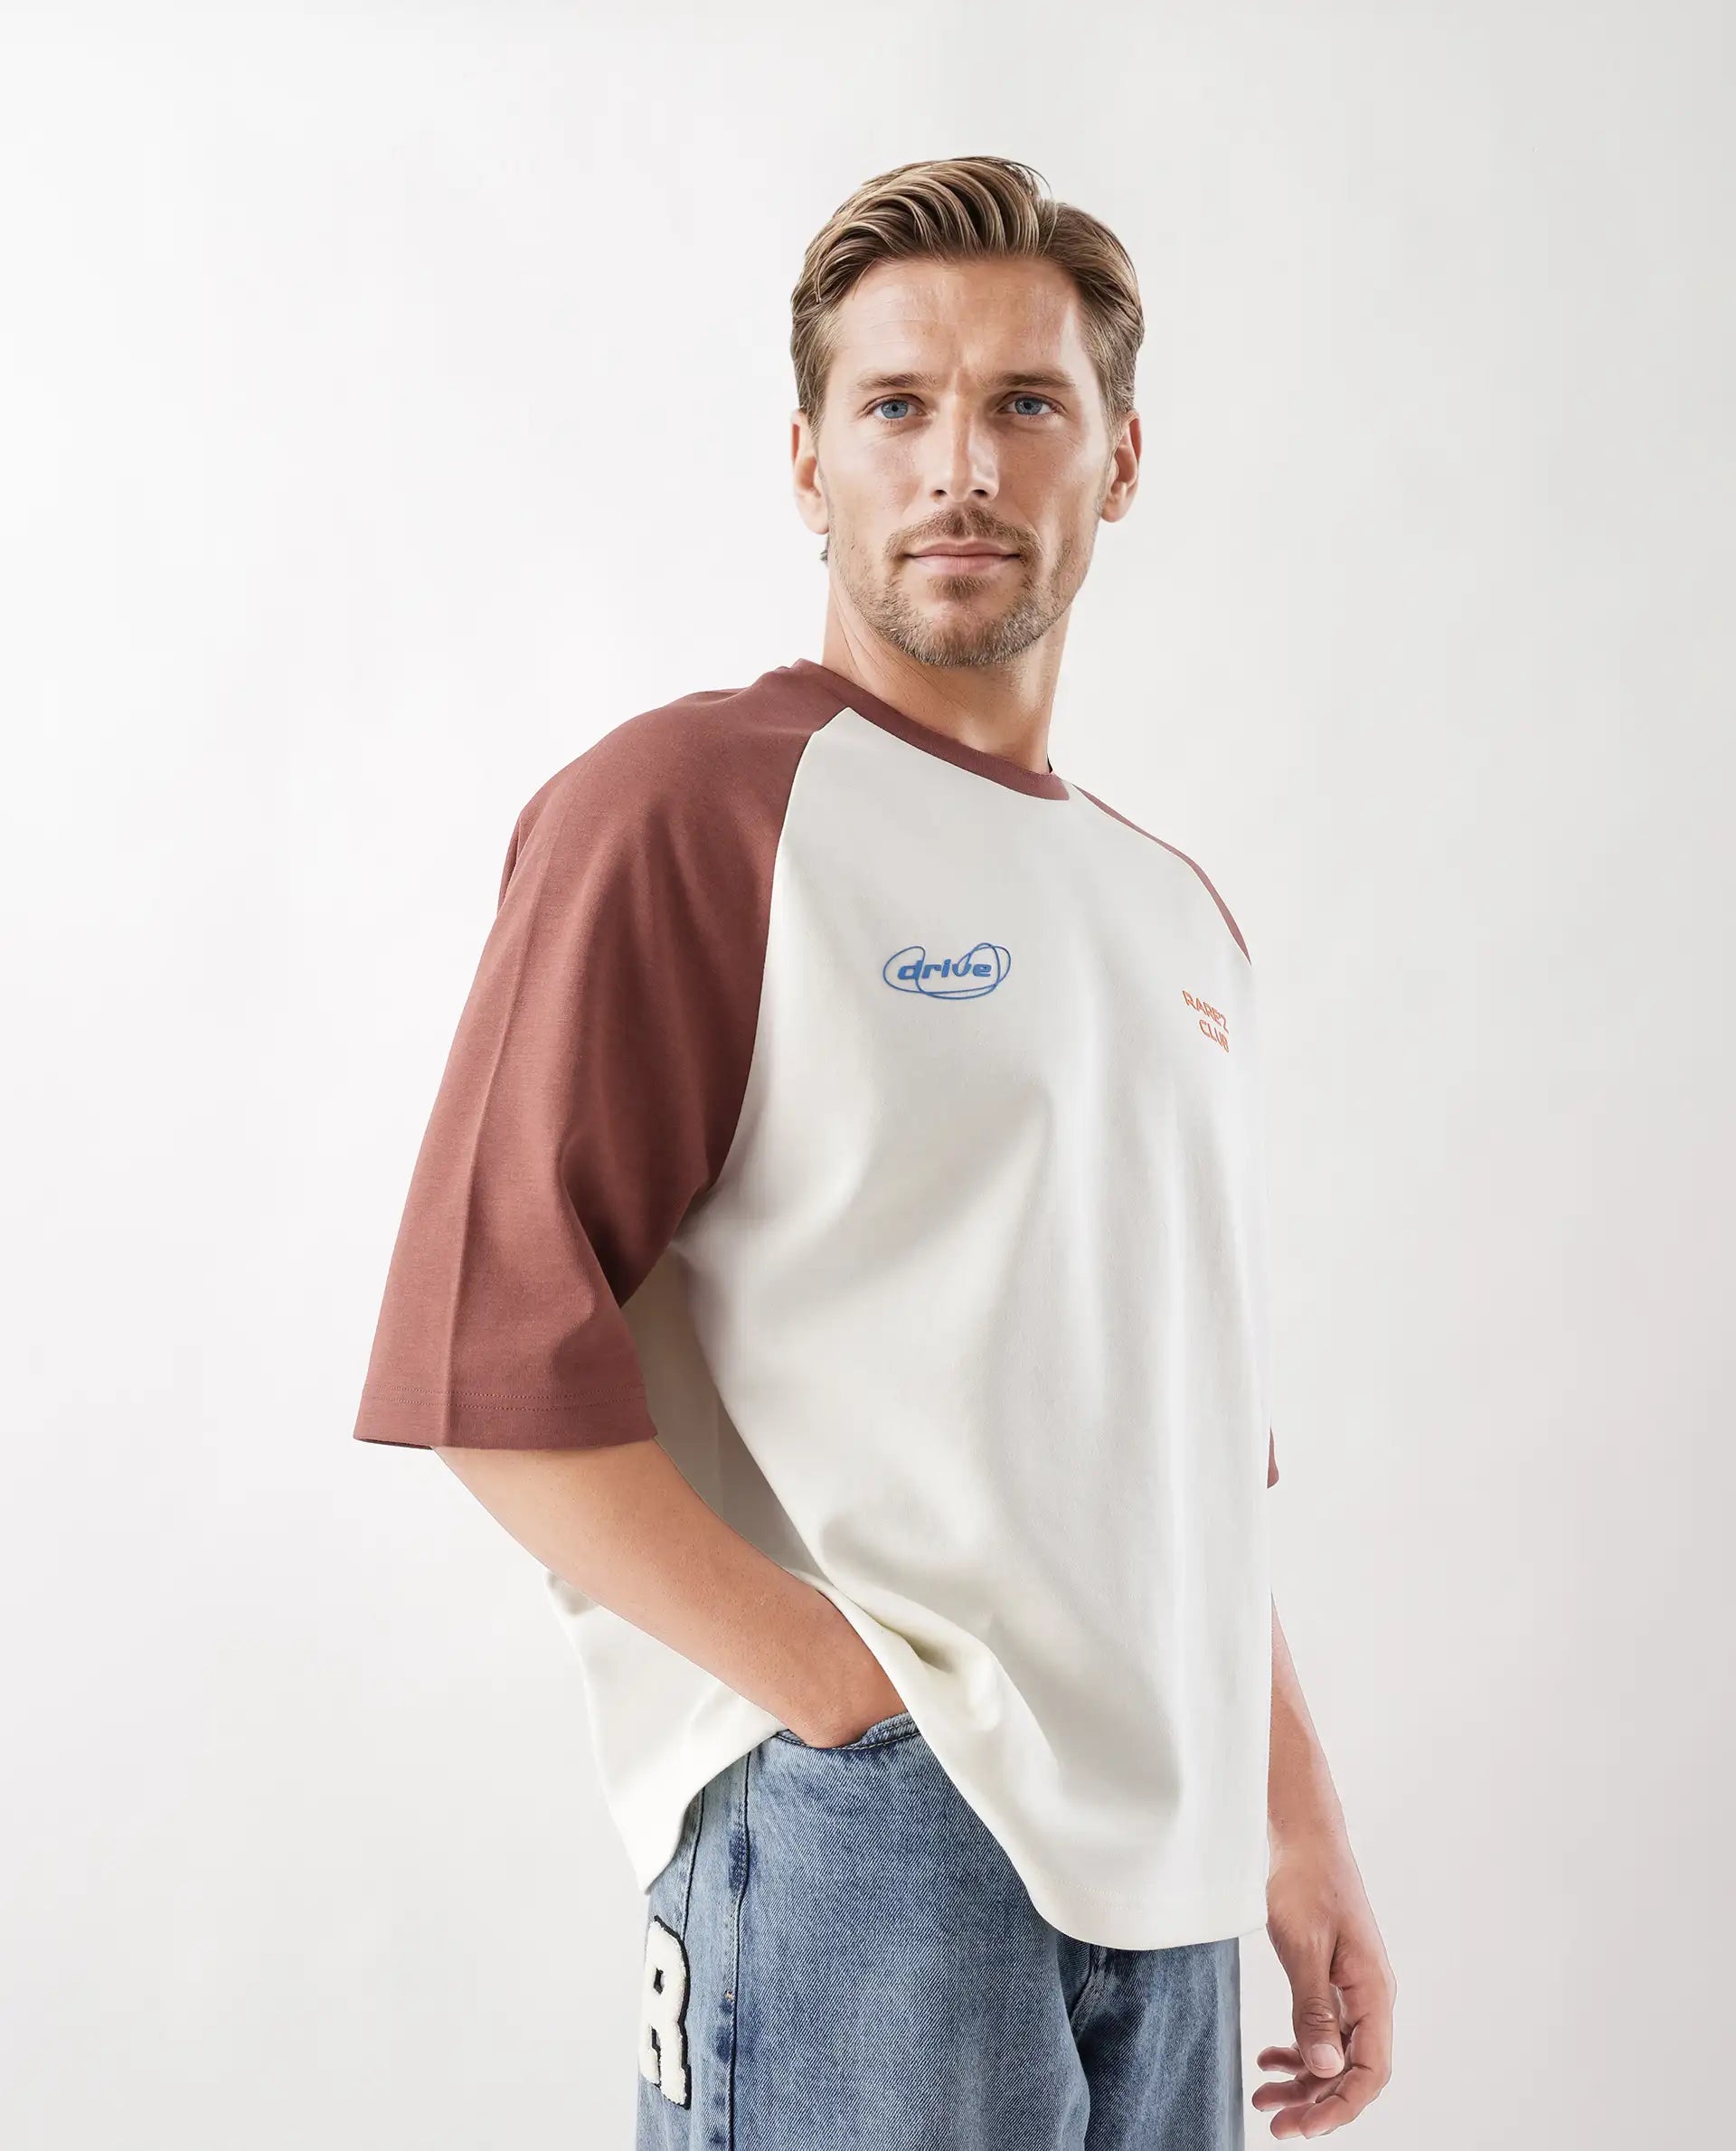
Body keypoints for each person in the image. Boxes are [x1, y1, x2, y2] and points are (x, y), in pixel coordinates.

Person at [352, 154, 1395, 2147]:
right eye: (898, 405)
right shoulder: (693, 809)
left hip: (1171, 1886)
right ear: (807, 460)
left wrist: (1296, 1812)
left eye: (1027, 404)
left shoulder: (1178, 916)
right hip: (877, 1858)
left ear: (1120, 457)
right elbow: (485, 1363)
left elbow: (1177, 1446)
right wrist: (852, 1705)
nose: (961, 468)